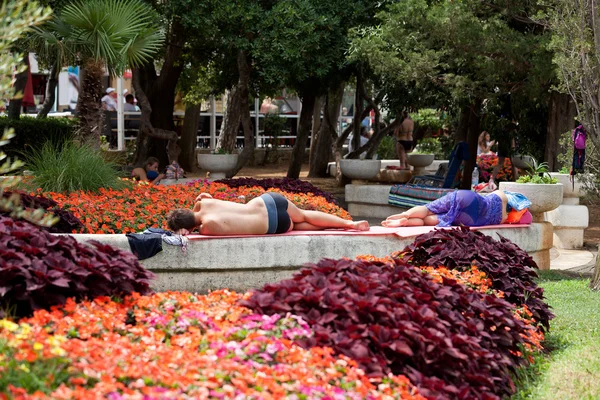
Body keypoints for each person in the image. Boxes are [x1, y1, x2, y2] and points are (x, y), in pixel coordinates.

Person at [167, 192, 370, 236]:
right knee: (305, 215)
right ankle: (349, 224)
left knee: (299, 224)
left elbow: (197, 227)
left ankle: (346, 226)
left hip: (273, 224)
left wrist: (186, 232)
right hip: (266, 201)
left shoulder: (206, 228)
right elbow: (198, 204)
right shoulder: (204, 202)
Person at [382, 190, 531, 228]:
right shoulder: (502, 219)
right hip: (474, 219)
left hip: (467, 197)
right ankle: (405, 223)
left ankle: (405, 215)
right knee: (430, 220)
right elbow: (527, 218)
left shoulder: (502, 195)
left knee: (428, 209)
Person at [489, 120, 519, 189]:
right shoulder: (510, 126)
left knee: (511, 163)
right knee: (510, 163)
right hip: (505, 144)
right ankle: (492, 180)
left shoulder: (505, 125)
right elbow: (512, 138)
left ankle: (515, 181)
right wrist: (513, 148)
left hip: (504, 143)